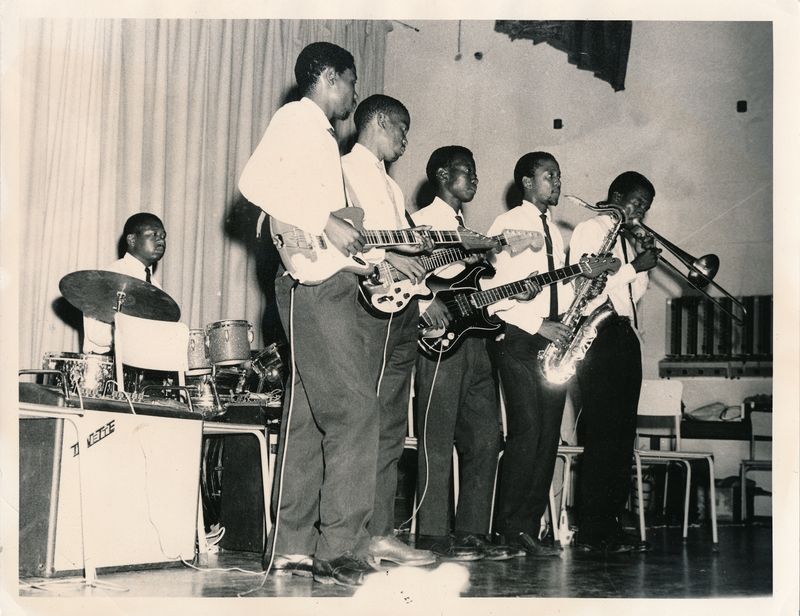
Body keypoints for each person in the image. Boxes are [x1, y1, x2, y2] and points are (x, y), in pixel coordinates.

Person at [238, 42, 378, 587]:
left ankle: (292, 544)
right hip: (315, 292)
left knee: (306, 418)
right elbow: (254, 184)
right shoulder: (298, 118)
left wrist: (368, 259)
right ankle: (338, 550)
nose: (354, 93)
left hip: (321, 282)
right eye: (350, 81)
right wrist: (322, 217)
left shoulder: (316, 134)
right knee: (354, 410)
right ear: (327, 78)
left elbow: (325, 224)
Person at [341, 94, 437, 567]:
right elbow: (345, 241)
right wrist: (386, 259)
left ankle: (379, 532)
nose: (405, 138)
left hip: (402, 312)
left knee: (392, 426)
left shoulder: (392, 189)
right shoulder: (344, 170)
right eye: (401, 127)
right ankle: (352, 537)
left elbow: (409, 254)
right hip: (366, 311)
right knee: (365, 422)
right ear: (377, 121)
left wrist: (425, 291)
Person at [411, 146, 516, 561]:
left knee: (487, 438)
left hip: (477, 343)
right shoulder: (420, 224)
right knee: (435, 438)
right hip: (438, 341)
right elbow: (407, 281)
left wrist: (509, 294)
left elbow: (472, 291)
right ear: (441, 174)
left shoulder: (471, 233)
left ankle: (472, 532)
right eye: (465, 171)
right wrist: (423, 308)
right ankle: (433, 534)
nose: (474, 179)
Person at [483, 152, 570, 557]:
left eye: (557, 174)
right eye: (548, 175)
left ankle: (529, 528)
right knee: (527, 432)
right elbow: (494, 295)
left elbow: (560, 286)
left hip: (555, 340)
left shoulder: (555, 229)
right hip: (519, 338)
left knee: (549, 436)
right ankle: (508, 528)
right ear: (527, 182)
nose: (556, 180)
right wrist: (539, 325)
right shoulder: (508, 226)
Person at [568, 170, 660, 553]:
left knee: (623, 434)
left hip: (623, 333)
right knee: (603, 432)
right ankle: (592, 529)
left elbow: (633, 295)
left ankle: (610, 523)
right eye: (637, 203)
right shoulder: (590, 230)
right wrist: (634, 267)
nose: (640, 212)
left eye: (646, 207)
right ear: (616, 195)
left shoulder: (624, 239)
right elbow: (585, 284)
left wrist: (641, 263)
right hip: (598, 333)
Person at [82, 212, 167, 354]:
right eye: (153, 234)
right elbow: (96, 333)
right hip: (108, 368)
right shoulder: (109, 276)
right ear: (132, 240)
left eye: (163, 236)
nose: (161, 241)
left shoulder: (157, 287)